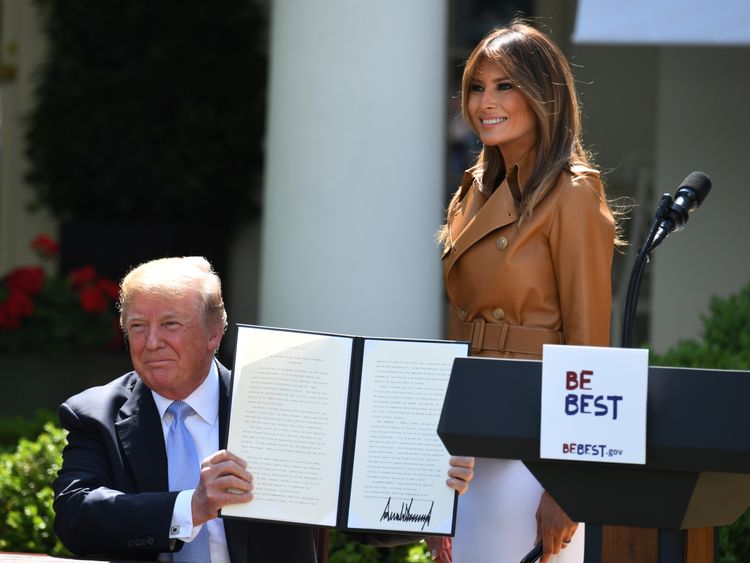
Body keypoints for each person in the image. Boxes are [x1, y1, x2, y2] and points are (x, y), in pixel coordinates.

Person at [53, 256, 463, 562]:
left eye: (171, 325)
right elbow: (76, 516)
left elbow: (351, 512)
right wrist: (191, 507)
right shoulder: (95, 413)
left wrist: (428, 499)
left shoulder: (283, 405)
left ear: (213, 333)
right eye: (138, 326)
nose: (151, 341)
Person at [433, 21, 622, 563]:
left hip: (539, 443)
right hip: (470, 442)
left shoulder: (574, 191)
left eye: (504, 86)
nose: (484, 102)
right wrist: (441, 457)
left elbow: (590, 347)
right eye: (476, 86)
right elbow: (458, 330)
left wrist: (570, 484)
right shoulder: (473, 187)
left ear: (543, 95)